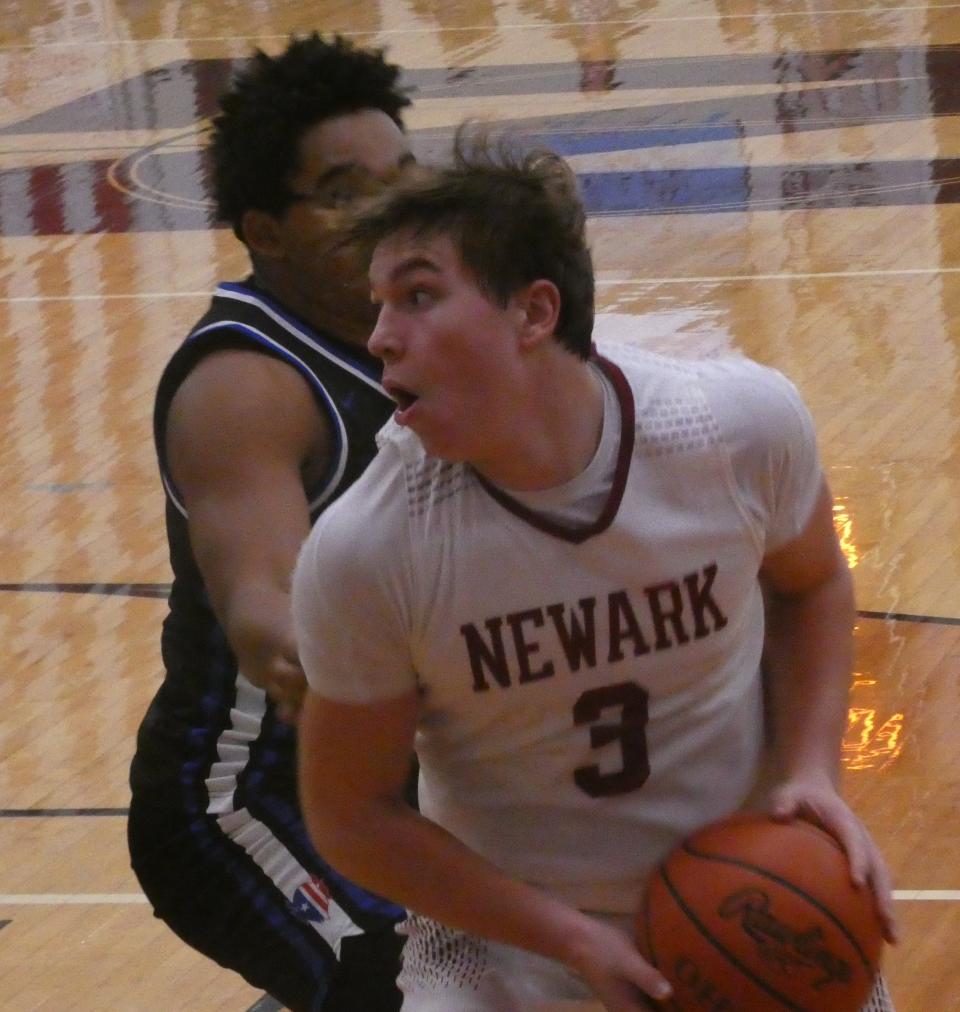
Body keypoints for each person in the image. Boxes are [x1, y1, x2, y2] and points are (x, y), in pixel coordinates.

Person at [290, 132, 899, 1012]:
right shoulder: (371, 548)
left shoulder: (733, 431)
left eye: (418, 296)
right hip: (512, 947)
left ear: (534, 314)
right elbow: (353, 816)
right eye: (378, 305)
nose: (381, 337)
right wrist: (571, 939)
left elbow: (811, 585)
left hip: (758, 913)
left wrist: (808, 772)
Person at [127, 33, 416, 1012]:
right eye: (344, 190)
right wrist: (288, 642)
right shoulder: (246, 385)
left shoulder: (434, 325)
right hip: (243, 795)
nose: (389, 210)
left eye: (402, 176)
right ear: (267, 228)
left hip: (395, 768)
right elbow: (257, 580)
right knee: (390, 981)